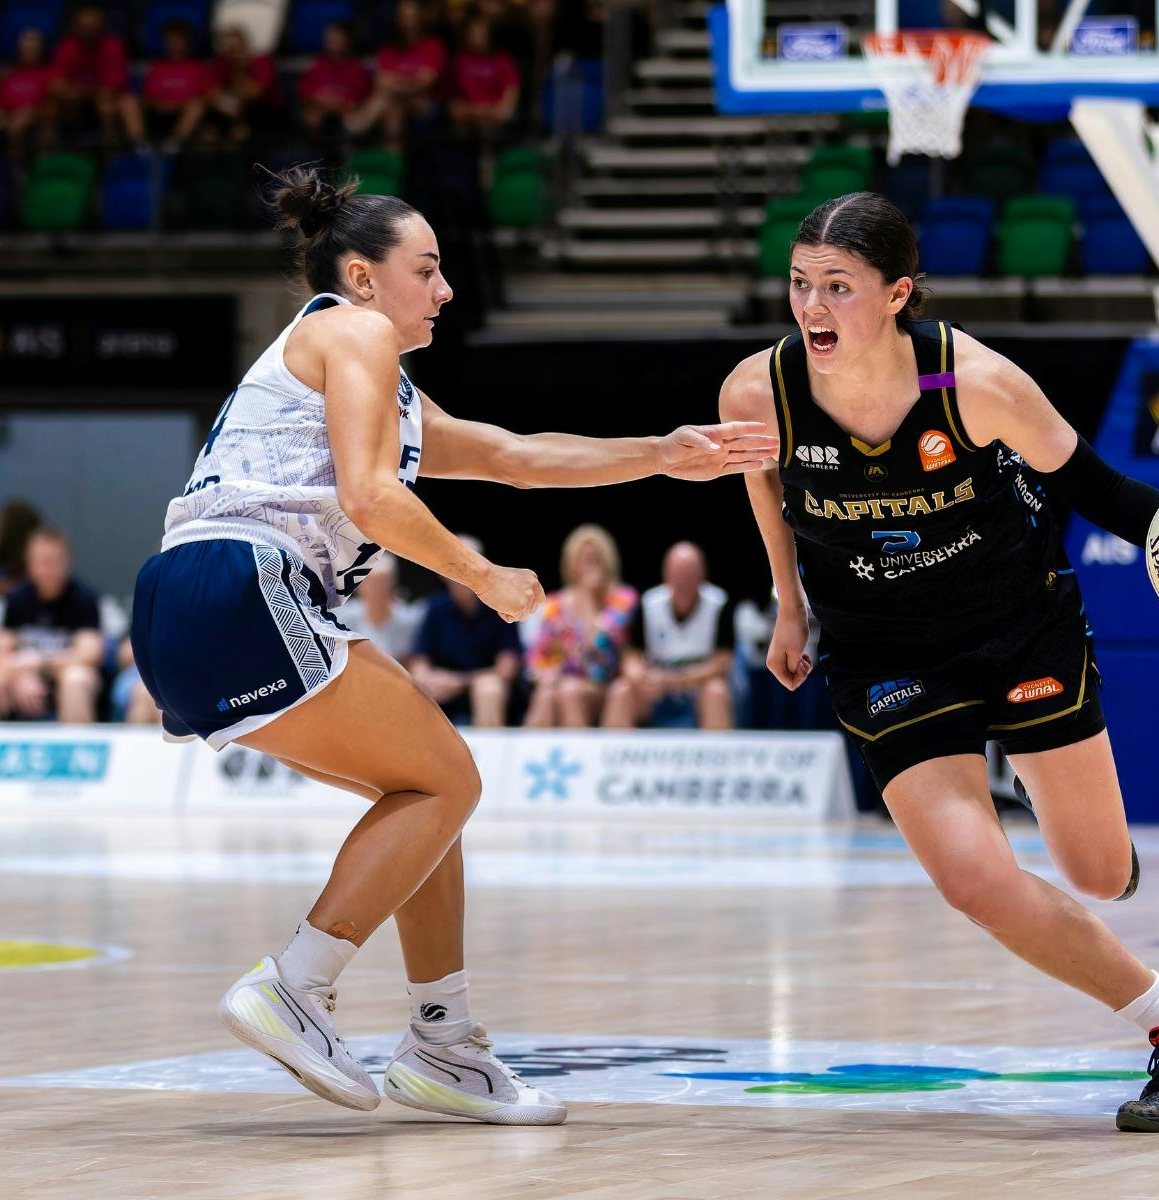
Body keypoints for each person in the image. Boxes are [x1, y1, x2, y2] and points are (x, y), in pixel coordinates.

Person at [129, 165, 773, 1127]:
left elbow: (515, 457)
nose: (445, 291)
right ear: (361, 276)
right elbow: (370, 499)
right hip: (243, 583)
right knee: (449, 780)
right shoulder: (355, 332)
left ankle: (443, 1044)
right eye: (426, 270)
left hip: (187, 601)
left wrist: (661, 453)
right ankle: (297, 985)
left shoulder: (357, 367)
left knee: (431, 793)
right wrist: (485, 576)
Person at [718, 192, 1159, 1134]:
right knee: (975, 882)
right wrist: (789, 603)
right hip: (882, 649)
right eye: (799, 284)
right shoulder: (760, 391)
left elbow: (1100, 489)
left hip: (1015, 627)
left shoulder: (978, 384)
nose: (812, 308)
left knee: (1099, 873)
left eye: (838, 286)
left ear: (899, 293)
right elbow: (764, 485)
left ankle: (1056, 801)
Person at [602, 540, 736, 730]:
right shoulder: (648, 603)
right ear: (666, 574)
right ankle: (611, 755)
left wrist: (675, 681)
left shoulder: (720, 604)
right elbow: (631, 657)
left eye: (690, 573)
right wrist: (639, 676)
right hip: (655, 689)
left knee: (717, 692)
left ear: (702, 575)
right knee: (621, 691)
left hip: (698, 687)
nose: (684, 580)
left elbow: (723, 663)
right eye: (679, 573)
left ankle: (719, 756)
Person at [521, 523, 634, 729]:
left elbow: (593, 645)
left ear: (607, 562)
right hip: (566, 682)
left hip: (607, 684)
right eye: (583, 560)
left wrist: (589, 597)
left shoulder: (622, 599)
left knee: (569, 691)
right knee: (546, 694)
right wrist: (544, 674)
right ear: (571, 563)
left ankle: (583, 756)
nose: (589, 567)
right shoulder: (555, 603)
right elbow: (539, 656)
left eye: (595, 560)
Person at [0, 526, 104, 723]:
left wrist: (41, 664)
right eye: (41, 561)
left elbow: (89, 655)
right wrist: (19, 676)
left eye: (54, 561)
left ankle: (76, 748)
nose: (47, 569)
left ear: (67, 562)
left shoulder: (83, 598)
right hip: (23, 677)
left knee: (75, 679)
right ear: (29, 563)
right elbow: (0, 656)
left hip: (64, 677)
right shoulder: (17, 598)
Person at [407, 534, 519, 726]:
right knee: (413, 686)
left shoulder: (500, 608)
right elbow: (419, 661)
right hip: (442, 690)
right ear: (443, 572)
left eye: (471, 565)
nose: (464, 573)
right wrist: (427, 678)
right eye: (458, 566)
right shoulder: (435, 608)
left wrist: (460, 681)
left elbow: (507, 669)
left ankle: (489, 754)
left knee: (488, 688)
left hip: (483, 688)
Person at [347, 0, 444, 151]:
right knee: (394, 107)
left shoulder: (432, 45)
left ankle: (355, 128)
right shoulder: (390, 47)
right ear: (397, 19)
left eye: (412, 17)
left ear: (421, 18)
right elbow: (381, 81)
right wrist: (410, 81)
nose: (408, 22)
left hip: (425, 103)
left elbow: (426, 83)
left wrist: (397, 83)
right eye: (404, 17)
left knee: (386, 97)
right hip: (396, 99)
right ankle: (393, 157)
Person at [49, 2, 140, 144]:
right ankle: (54, 151)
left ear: (102, 27)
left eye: (93, 28)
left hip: (104, 100)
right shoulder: (67, 47)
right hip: (74, 100)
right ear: (77, 28)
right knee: (50, 106)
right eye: (85, 28)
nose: (89, 32)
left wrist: (79, 91)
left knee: (109, 106)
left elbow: (113, 89)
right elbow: (55, 85)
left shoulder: (114, 46)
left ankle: (121, 150)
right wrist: (74, 93)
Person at [0, 27, 55, 156]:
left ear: (40, 50)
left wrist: (35, 112)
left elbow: (50, 104)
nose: (28, 52)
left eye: (32, 49)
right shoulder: (9, 72)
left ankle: (16, 164)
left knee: (18, 123)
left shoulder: (47, 74)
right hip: (6, 112)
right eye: (25, 49)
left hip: (32, 115)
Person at [293, 21, 370, 147]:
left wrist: (336, 105)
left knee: (352, 121)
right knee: (312, 116)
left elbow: (358, 102)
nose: (332, 43)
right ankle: (313, 156)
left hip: (346, 114)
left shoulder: (357, 69)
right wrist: (322, 101)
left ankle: (348, 158)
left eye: (337, 39)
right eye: (329, 39)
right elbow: (305, 93)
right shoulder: (318, 65)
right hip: (321, 110)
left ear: (348, 40)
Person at [336, 552, 423, 661]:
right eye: (371, 583)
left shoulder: (410, 620)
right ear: (359, 585)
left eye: (383, 582)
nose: (377, 590)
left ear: (392, 583)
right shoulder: (342, 618)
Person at [445, 15, 517, 145]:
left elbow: (509, 103)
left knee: (488, 126)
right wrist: (475, 111)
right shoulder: (459, 61)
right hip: (467, 119)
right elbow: (453, 106)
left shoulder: (502, 60)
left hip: (494, 119)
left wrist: (490, 111)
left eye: (482, 33)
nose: (478, 37)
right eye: (474, 33)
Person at [139, 21, 212, 146]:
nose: (174, 45)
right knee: (127, 102)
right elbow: (147, 96)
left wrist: (177, 104)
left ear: (187, 43)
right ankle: (139, 145)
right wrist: (159, 104)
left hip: (183, 112)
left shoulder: (197, 68)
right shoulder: (157, 67)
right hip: (157, 112)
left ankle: (174, 144)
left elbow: (204, 96)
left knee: (197, 106)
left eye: (178, 41)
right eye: (170, 41)